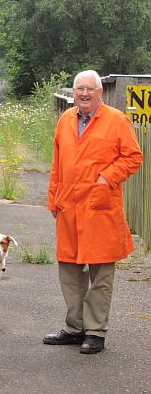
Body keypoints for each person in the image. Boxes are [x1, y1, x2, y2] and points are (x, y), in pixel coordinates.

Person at [43, 70, 143, 354]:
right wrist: (53, 199)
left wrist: (106, 178)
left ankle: (96, 332)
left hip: (100, 209)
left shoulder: (116, 120)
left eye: (90, 89)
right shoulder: (65, 120)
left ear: (100, 92)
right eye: (80, 89)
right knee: (70, 271)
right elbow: (57, 163)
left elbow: (133, 156)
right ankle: (74, 328)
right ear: (74, 92)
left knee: (100, 274)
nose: (84, 94)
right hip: (69, 207)